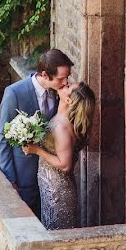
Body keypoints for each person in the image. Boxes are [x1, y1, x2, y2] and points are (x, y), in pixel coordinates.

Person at [0, 49, 73, 218]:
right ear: (45, 75)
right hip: (24, 174)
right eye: (61, 78)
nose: (65, 82)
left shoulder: (58, 92)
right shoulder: (14, 93)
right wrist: (10, 180)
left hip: (51, 177)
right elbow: (3, 137)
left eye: (67, 77)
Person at [23, 81, 96, 230]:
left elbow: (65, 165)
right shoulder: (61, 117)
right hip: (49, 184)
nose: (65, 84)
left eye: (68, 87)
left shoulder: (63, 127)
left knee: (56, 232)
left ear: (68, 100)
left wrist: (37, 150)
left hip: (57, 191)